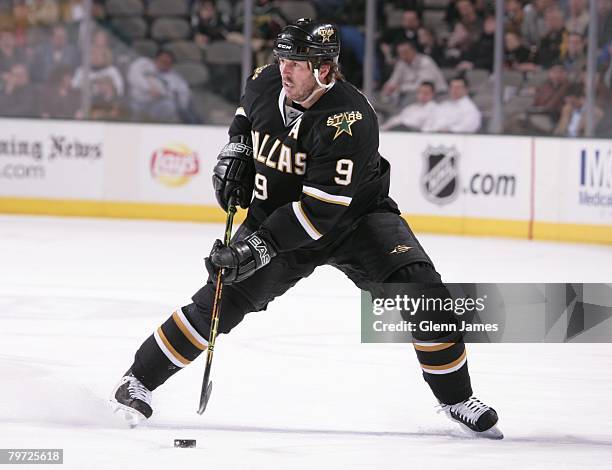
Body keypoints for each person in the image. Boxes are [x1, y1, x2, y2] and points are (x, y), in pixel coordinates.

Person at [110, 19, 502, 439]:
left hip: (357, 221)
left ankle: (456, 398)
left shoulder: (349, 119)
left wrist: (256, 247)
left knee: (426, 296)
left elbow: (319, 213)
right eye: (282, 59)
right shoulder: (264, 80)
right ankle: (137, 381)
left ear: (325, 70)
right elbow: (245, 117)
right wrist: (238, 149)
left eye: (297, 62)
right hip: (274, 217)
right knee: (218, 303)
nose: (284, 69)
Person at [127, 49, 191, 123]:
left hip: (157, 106)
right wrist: (148, 88)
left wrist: (164, 94)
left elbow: (184, 96)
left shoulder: (176, 78)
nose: (164, 64)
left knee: (169, 106)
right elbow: (133, 76)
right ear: (156, 59)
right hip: (136, 102)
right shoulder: (144, 64)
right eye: (162, 61)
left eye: (168, 63)